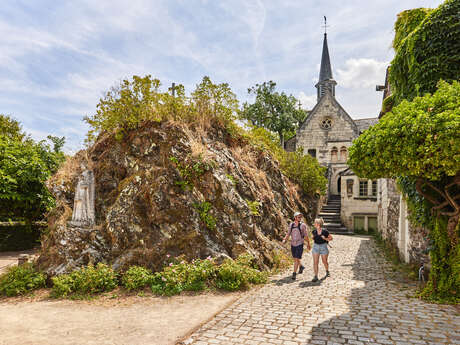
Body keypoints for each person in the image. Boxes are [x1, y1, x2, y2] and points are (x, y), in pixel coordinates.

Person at [282, 212, 311, 280]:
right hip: (293, 244)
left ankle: (294, 273)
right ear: (295, 218)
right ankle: (301, 266)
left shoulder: (303, 225)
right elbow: (288, 233)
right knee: (296, 258)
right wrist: (284, 239)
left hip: (300, 244)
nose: (300, 218)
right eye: (298, 217)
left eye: (300, 217)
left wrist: (308, 244)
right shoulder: (291, 225)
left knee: (296, 259)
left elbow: (306, 235)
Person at [311, 217, 333, 282]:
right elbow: (313, 238)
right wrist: (314, 238)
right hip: (315, 247)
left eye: (315, 223)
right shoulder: (314, 231)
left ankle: (327, 271)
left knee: (324, 261)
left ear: (318, 224)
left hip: (323, 247)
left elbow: (331, 238)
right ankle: (315, 276)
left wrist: (325, 239)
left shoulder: (325, 231)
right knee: (315, 262)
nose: (314, 224)